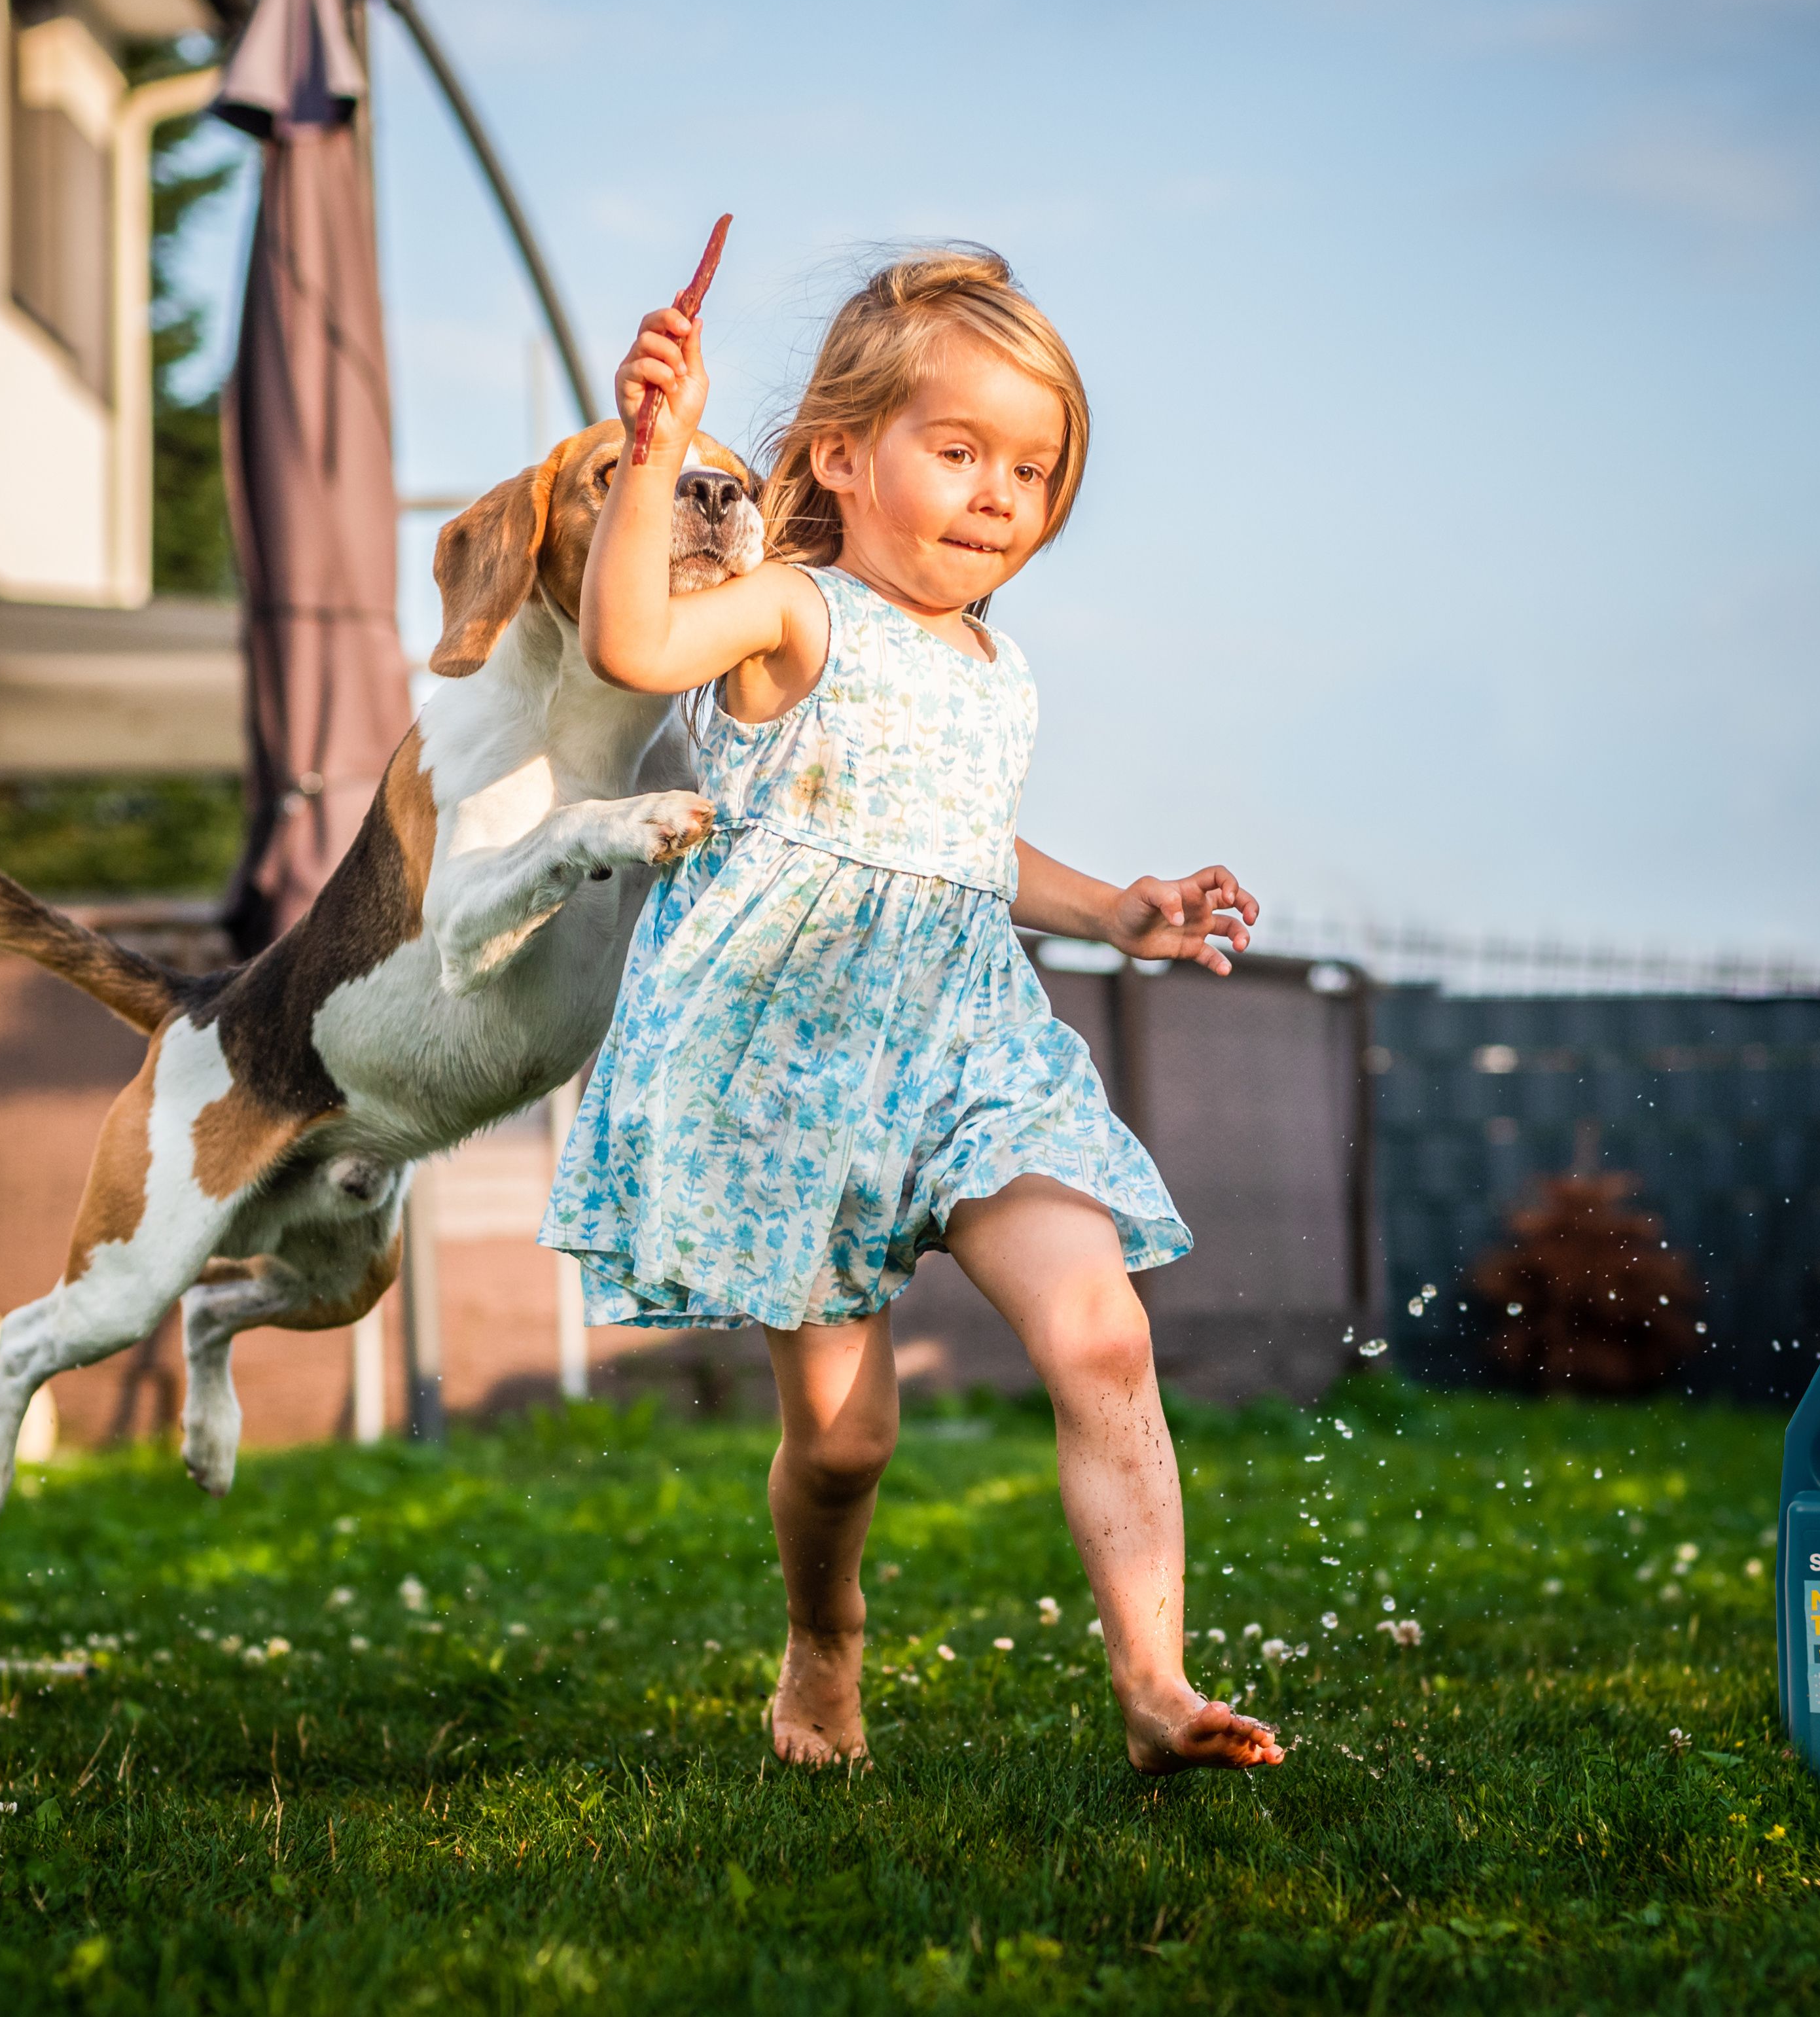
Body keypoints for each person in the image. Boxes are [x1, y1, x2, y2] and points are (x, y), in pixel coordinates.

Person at [543, 245, 1285, 1775]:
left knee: (1101, 1336)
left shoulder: (998, 670)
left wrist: (1113, 912)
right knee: (845, 1439)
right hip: (789, 1064)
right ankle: (824, 1640)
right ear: (839, 456)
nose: (1000, 492)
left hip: (968, 1046)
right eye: (958, 453)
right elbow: (629, 643)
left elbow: (958, 844)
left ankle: (1155, 1689)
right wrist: (655, 458)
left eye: (1032, 465)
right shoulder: (789, 612)